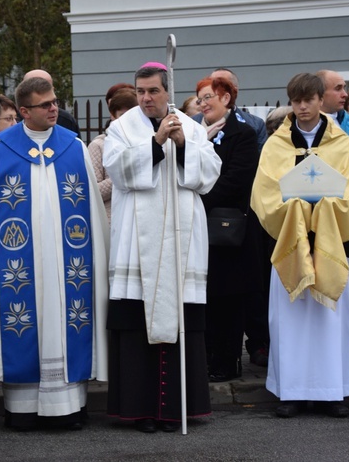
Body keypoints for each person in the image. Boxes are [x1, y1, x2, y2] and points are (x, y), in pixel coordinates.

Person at [0, 76, 109, 431]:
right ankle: (21, 409)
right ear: (23, 111)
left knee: (67, 319)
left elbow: (92, 210)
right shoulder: (0, 151)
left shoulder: (73, 147)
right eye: (45, 104)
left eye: (55, 102)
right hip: (18, 263)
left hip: (69, 262)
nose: (54, 109)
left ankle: (71, 407)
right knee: (23, 319)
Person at [103, 63, 221, 433]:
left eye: (153, 91)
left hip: (182, 242)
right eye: (140, 91)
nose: (146, 98)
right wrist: (155, 144)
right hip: (136, 243)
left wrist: (183, 145)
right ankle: (139, 411)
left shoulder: (193, 127)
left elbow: (209, 176)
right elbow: (118, 172)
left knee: (183, 321)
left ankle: (177, 411)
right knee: (136, 326)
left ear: (168, 92)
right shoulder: (120, 129)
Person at [252, 73, 349, 418]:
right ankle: (291, 391)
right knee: (291, 322)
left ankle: (333, 392)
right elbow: (264, 192)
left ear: (321, 100)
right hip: (291, 239)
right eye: (296, 101)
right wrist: (297, 206)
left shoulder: (342, 143)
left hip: (329, 240)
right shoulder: (277, 144)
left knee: (329, 320)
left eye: (309, 100)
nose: (302, 107)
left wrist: (326, 206)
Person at [194, 75, 259, 381]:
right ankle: (206, 358)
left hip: (228, 229)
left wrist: (198, 201)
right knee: (205, 296)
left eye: (208, 97)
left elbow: (237, 180)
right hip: (200, 231)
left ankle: (227, 360)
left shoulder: (242, 134)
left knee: (229, 298)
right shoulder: (195, 133)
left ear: (226, 99)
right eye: (200, 98)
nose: (202, 103)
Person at [88, 85, 137, 220]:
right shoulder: (98, 145)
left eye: (131, 114)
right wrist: (125, 174)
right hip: (112, 219)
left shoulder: (148, 143)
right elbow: (94, 190)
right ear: (113, 116)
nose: (126, 120)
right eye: (122, 115)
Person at [191, 67, 268, 153]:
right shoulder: (193, 124)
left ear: (232, 92)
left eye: (222, 85)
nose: (203, 104)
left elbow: (260, 160)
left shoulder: (254, 125)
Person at [316, 70, 349, 152]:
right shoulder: (304, 125)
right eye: (338, 89)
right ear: (320, 93)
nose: (345, 94)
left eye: (344, 88)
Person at [23, 69, 81, 135]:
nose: (53, 108)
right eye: (44, 105)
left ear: (53, 89)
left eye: (47, 87)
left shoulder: (67, 121)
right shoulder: (14, 120)